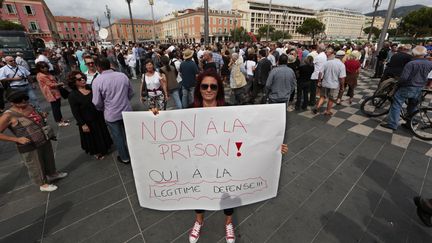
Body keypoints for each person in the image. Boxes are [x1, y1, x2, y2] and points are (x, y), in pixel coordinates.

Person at [149, 71, 289, 243]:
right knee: (197, 193)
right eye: (204, 86)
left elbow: (251, 135)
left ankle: (228, 223)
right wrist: (154, 118)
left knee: (227, 192)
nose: (209, 89)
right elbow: (170, 128)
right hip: (198, 163)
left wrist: (273, 146)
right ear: (199, 89)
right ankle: (199, 221)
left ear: (219, 89)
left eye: (213, 86)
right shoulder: (190, 110)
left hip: (225, 162)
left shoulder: (229, 109)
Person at [0, 91, 67, 192]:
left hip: (43, 137)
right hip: (28, 144)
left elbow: (36, 117)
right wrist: (17, 139)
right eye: (19, 100)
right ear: (12, 102)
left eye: (25, 98)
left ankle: (52, 174)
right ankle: (42, 184)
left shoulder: (30, 106)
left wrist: (42, 115)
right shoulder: (8, 115)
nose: (24, 102)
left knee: (48, 157)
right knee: (35, 164)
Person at [92, 57, 133, 164]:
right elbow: (131, 92)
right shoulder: (122, 76)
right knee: (130, 134)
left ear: (98, 67)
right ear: (109, 65)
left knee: (118, 137)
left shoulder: (97, 81)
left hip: (111, 113)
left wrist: (102, 108)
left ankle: (125, 157)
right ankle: (135, 154)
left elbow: (96, 102)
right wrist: (124, 100)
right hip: (126, 110)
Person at [380, 46, 432, 131]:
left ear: (414, 53)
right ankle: (410, 122)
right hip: (420, 87)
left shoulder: (411, 63)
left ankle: (392, 124)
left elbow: (404, 78)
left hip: (408, 86)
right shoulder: (429, 63)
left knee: (396, 104)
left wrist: (398, 83)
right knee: (412, 106)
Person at [67, 71, 112, 160]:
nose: (82, 80)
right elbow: (75, 112)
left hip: (98, 116)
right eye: (79, 79)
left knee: (102, 132)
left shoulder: (90, 88)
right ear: (74, 82)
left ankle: (105, 147)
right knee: (93, 137)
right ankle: (96, 152)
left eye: (83, 77)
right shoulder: (73, 95)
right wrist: (82, 124)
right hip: (87, 120)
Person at [35, 62, 70, 127]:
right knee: (55, 107)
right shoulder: (41, 75)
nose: (45, 68)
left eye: (45, 66)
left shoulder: (46, 73)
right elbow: (51, 84)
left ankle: (61, 119)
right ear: (39, 68)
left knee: (58, 106)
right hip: (51, 93)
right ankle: (59, 121)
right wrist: (61, 84)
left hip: (55, 91)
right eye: (42, 67)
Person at [313, 49, 346, 116]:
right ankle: (327, 111)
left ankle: (317, 107)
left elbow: (320, 72)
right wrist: (342, 86)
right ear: (342, 57)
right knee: (331, 99)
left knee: (322, 96)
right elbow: (342, 78)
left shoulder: (327, 62)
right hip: (334, 85)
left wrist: (319, 81)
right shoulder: (341, 65)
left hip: (325, 83)